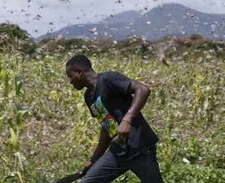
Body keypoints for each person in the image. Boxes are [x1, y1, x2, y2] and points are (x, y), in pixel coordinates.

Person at [65, 54, 163, 183]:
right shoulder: (89, 97)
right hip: (118, 151)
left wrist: (127, 119)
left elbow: (143, 89)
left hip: (140, 147)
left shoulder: (108, 79)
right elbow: (107, 127)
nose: (70, 81)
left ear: (79, 72)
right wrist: (94, 159)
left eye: (70, 76)